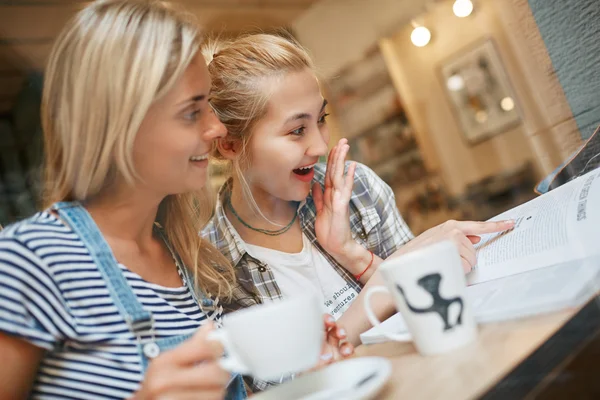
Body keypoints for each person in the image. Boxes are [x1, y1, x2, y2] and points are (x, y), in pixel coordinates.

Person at [0, 2, 348, 399]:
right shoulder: (29, 260)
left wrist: (307, 372)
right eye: (191, 112)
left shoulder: (189, 259)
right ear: (123, 127)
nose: (216, 128)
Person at [201, 33, 514, 346]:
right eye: (297, 130)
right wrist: (391, 279)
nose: (321, 145)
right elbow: (282, 387)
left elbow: (435, 310)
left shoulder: (357, 190)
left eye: (321, 119)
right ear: (230, 144)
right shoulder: (210, 267)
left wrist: (352, 254)